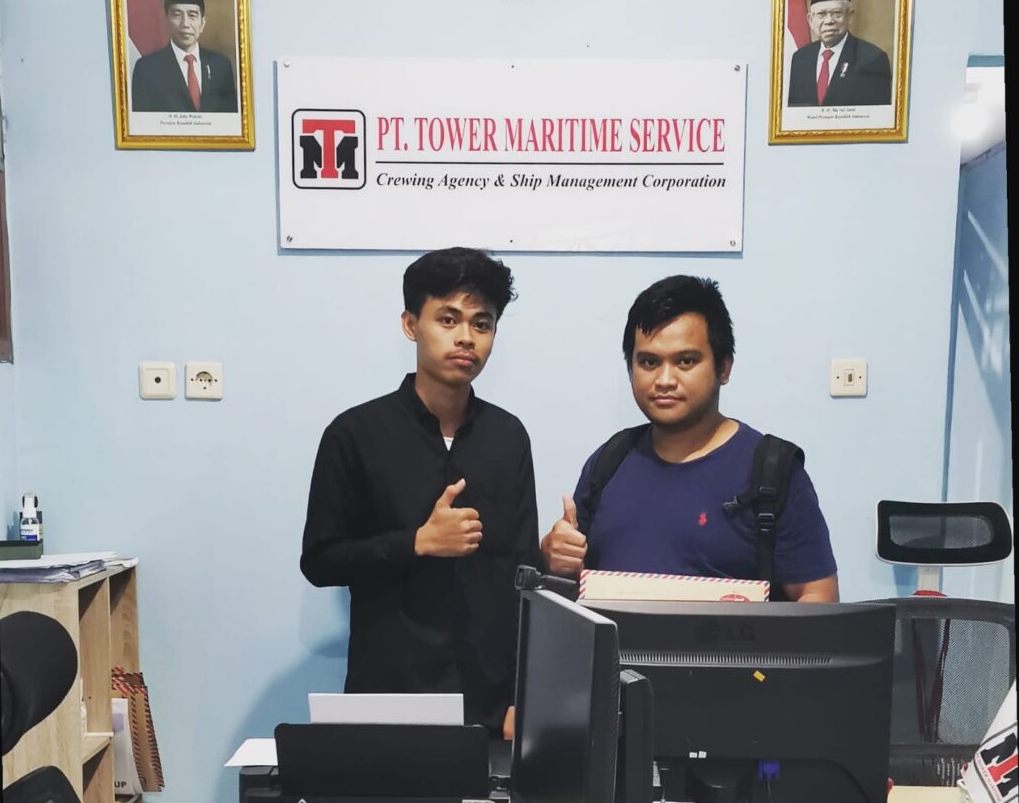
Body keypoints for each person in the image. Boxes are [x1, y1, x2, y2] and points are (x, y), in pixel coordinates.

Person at [300, 247, 540, 738]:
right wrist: (416, 543)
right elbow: (320, 562)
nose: (466, 337)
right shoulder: (355, 434)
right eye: (448, 319)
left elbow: (522, 578)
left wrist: (524, 696)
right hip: (387, 695)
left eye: (482, 323)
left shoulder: (508, 437)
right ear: (411, 324)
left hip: (489, 704)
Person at [541, 275, 839, 603]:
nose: (665, 380)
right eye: (648, 362)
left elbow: (817, 596)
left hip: (736, 641)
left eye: (686, 361)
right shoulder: (608, 462)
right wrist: (555, 558)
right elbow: (573, 586)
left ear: (724, 368)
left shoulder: (772, 472)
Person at [130, 0, 238, 113]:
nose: (185, 23)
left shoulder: (221, 66)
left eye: (192, 15)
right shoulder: (147, 69)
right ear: (166, 20)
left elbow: (230, 118)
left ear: (202, 23)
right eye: (177, 15)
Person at [787, 0, 893, 108]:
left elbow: (878, 115)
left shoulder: (873, 59)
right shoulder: (800, 58)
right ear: (810, 19)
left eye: (837, 13)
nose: (829, 21)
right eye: (821, 14)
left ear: (849, 16)